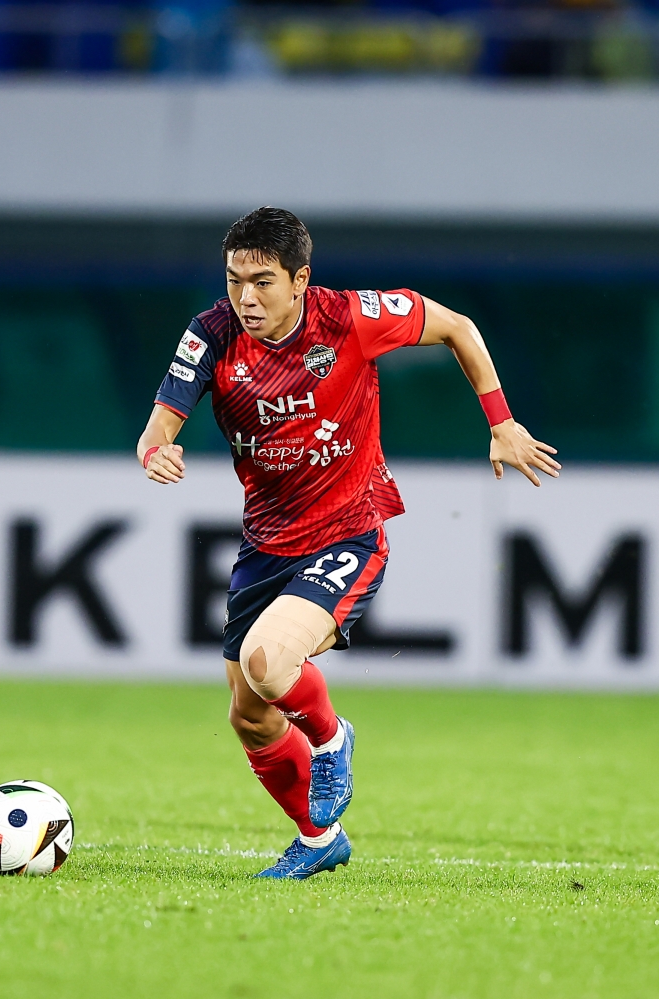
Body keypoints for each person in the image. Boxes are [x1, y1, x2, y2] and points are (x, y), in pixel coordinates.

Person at [136, 207, 560, 879]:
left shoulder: (350, 318)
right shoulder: (212, 334)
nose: (246, 297)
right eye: (235, 280)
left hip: (347, 532)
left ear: (301, 280)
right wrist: (156, 452)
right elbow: (157, 428)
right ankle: (319, 839)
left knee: (268, 661)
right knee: (250, 716)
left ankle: (333, 739)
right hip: (264, 546)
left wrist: (501, 421)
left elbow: (458, 326)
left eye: (264, 282)